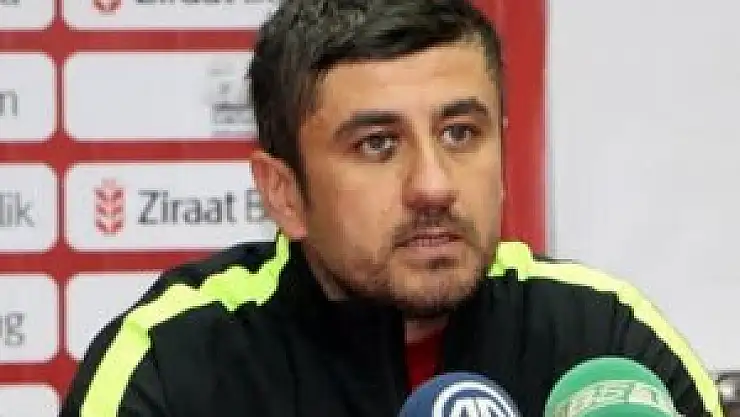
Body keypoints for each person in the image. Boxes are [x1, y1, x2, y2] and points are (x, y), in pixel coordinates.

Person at [59, 0, 725, 416]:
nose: (433, 185)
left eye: (460, 133)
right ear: (284, 193)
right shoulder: (174, 363)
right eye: (378, 144)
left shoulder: (604, 339)